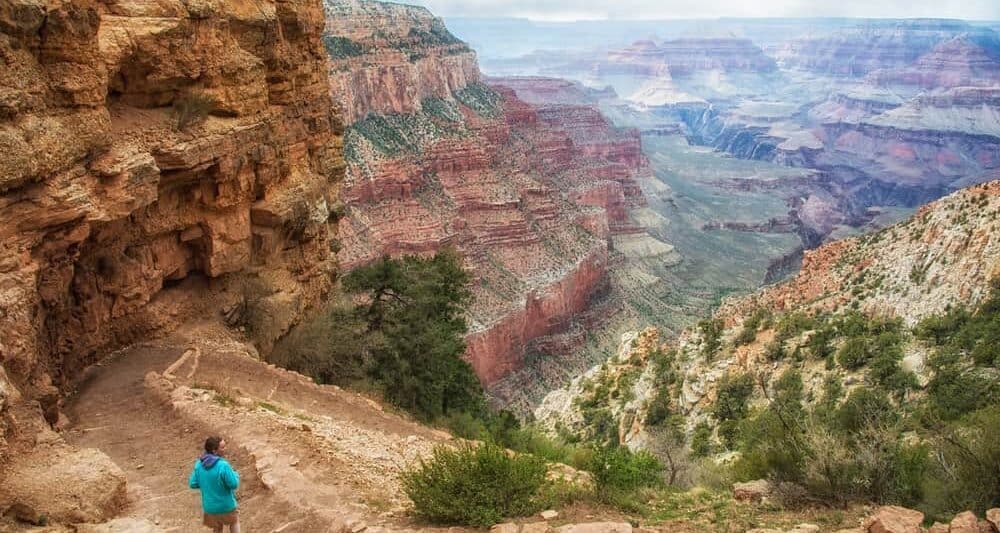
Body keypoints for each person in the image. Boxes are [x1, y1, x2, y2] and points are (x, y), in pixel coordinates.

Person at [189, 436, 241, 533]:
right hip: (226, 506)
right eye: (222, 447)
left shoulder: (199, 464)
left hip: (210, 507)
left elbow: (192, 483)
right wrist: (236, 475)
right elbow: (234, 484)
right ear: (214, 451)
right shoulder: (223, 465)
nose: (225, 449)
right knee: (234, 521)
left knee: (217, 528)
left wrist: (206, 483)